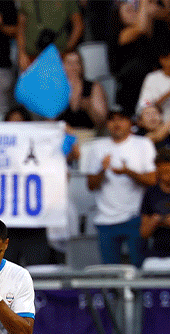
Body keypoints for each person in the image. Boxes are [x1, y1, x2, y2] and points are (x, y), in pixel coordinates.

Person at [83, 107, 157, 266]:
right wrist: (103, 169)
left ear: (131, 123)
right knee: (110, 272)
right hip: (105, 219)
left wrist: (128, 172)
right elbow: (91, 185)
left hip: (135, 216)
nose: (116, 123)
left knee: (139, 269)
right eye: (112, 119)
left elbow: (152, 180)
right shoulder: (97, 147)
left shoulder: (143, 144)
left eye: (121, 119)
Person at [107, 0, 170, 115]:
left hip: (154, 81)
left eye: (135, 10)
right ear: (119, 17)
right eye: (128, 11)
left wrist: (151, 13)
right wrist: (144, 2)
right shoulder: (119, 34)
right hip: (130, 85)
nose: (134, 12)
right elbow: (141, 28)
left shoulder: (153, 29)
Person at [16, 0, 83, 73]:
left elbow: (78, 25)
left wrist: (67, 50)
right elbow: (21, 26)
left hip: (59, 57)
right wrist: (21, 53)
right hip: (31, 58)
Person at [57, 49, 108, 131]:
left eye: (77, 63)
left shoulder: (93, 87)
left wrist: (89, 108)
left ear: (81, 66)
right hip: (62, 135)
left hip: (87, 134)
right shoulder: (55, 88)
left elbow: (102, 122)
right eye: (69, 63)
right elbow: (48, 122)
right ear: (62, 66)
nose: (73, 67)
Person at [140, 148, 170, 267]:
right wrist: (156, 220)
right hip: (158, 253)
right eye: (162, 171)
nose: (166, 176)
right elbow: (144, 232)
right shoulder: (151, 193)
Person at [137, 46, 170, 123]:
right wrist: (166, 96)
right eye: (168, 58)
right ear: (161, 60)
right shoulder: (152, 78)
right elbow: (145, 104)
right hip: (159, 122)